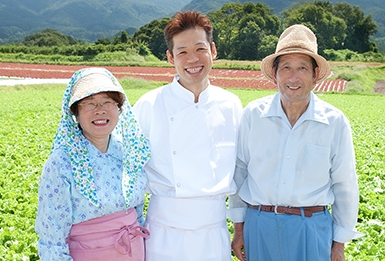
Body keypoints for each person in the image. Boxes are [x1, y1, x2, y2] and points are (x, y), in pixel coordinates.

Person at [229, 24, 364, 261]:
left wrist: (339, 244)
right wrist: (239, 228)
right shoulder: (253, 115)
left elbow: (345, 185)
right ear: (275, 74)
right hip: (259, 224)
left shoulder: (334, 122)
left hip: (311, 227)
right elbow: (240, 173)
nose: (293, 77)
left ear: (315, 75)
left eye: (302, 68)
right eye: (286, 68)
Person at [133, 11, 242, 261]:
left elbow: (241, 172)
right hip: (163, 232)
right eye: (182, 52)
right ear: (170, 57)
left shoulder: (231, 105)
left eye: (200, 49)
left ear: (213, 50)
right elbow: (128, 171)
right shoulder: (149, 105)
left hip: (213, 231)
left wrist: (240, 226)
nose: (192, 59)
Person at [35, 67, 151, 260]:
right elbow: (52, 237)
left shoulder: (130, 151)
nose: (100, 110)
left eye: (108, 102)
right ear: (76, 113)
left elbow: (138, 213)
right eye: (89, 103)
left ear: (119, 109)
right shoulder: (62, 162)